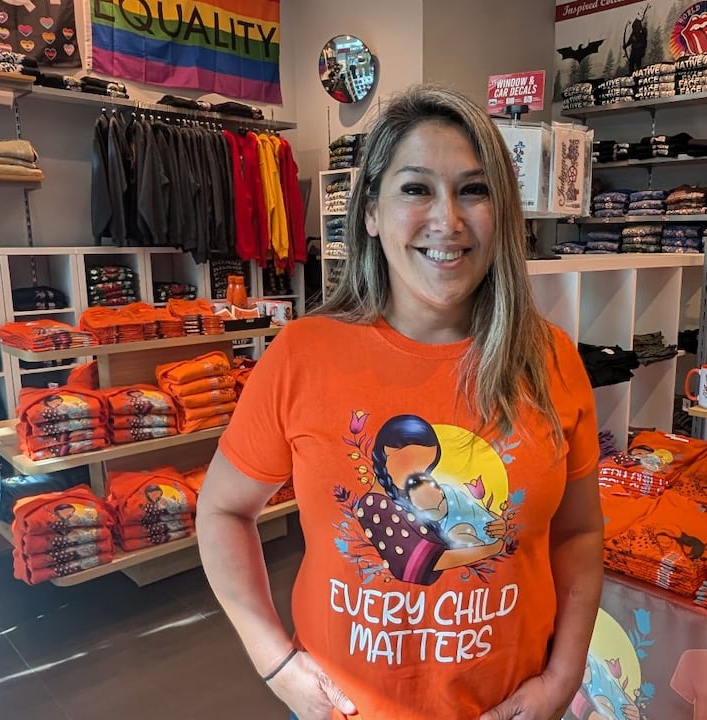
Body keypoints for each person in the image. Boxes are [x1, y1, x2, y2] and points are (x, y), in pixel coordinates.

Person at [197, 85, 604, 720]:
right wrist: (274, 663)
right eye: (416, 189)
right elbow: (222, 511)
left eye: (474, 189)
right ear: (370, 211)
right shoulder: (305, 354)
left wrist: (562, 676)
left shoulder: (550, 359)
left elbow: (578, 533)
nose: (448, 220)